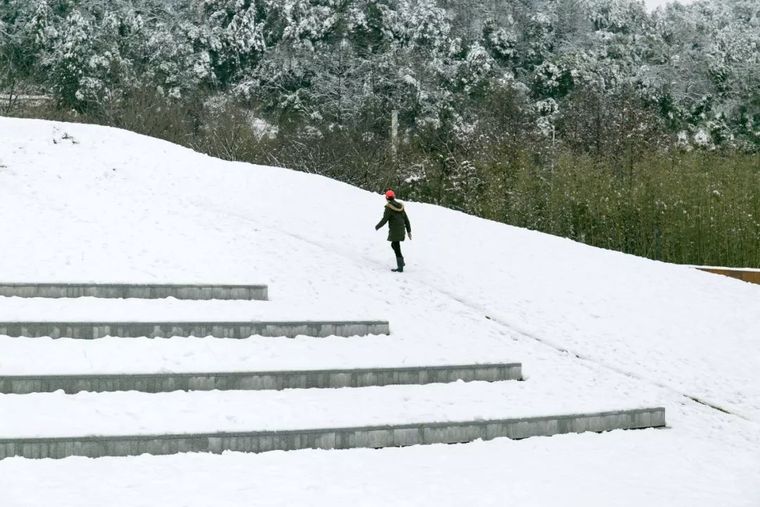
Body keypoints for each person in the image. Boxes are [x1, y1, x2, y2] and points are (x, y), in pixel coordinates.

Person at [375, 189, 412, 272]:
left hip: (395, 230)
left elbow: (385, 219)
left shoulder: (389, 208)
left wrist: (377, 226)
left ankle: (400, 267)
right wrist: (409, 231)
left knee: (396, 247)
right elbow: (407, 220)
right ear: (394, 196)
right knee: (394, 245)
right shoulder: (400, 206)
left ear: (386, 198)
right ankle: (401, 262)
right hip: (401, 229)